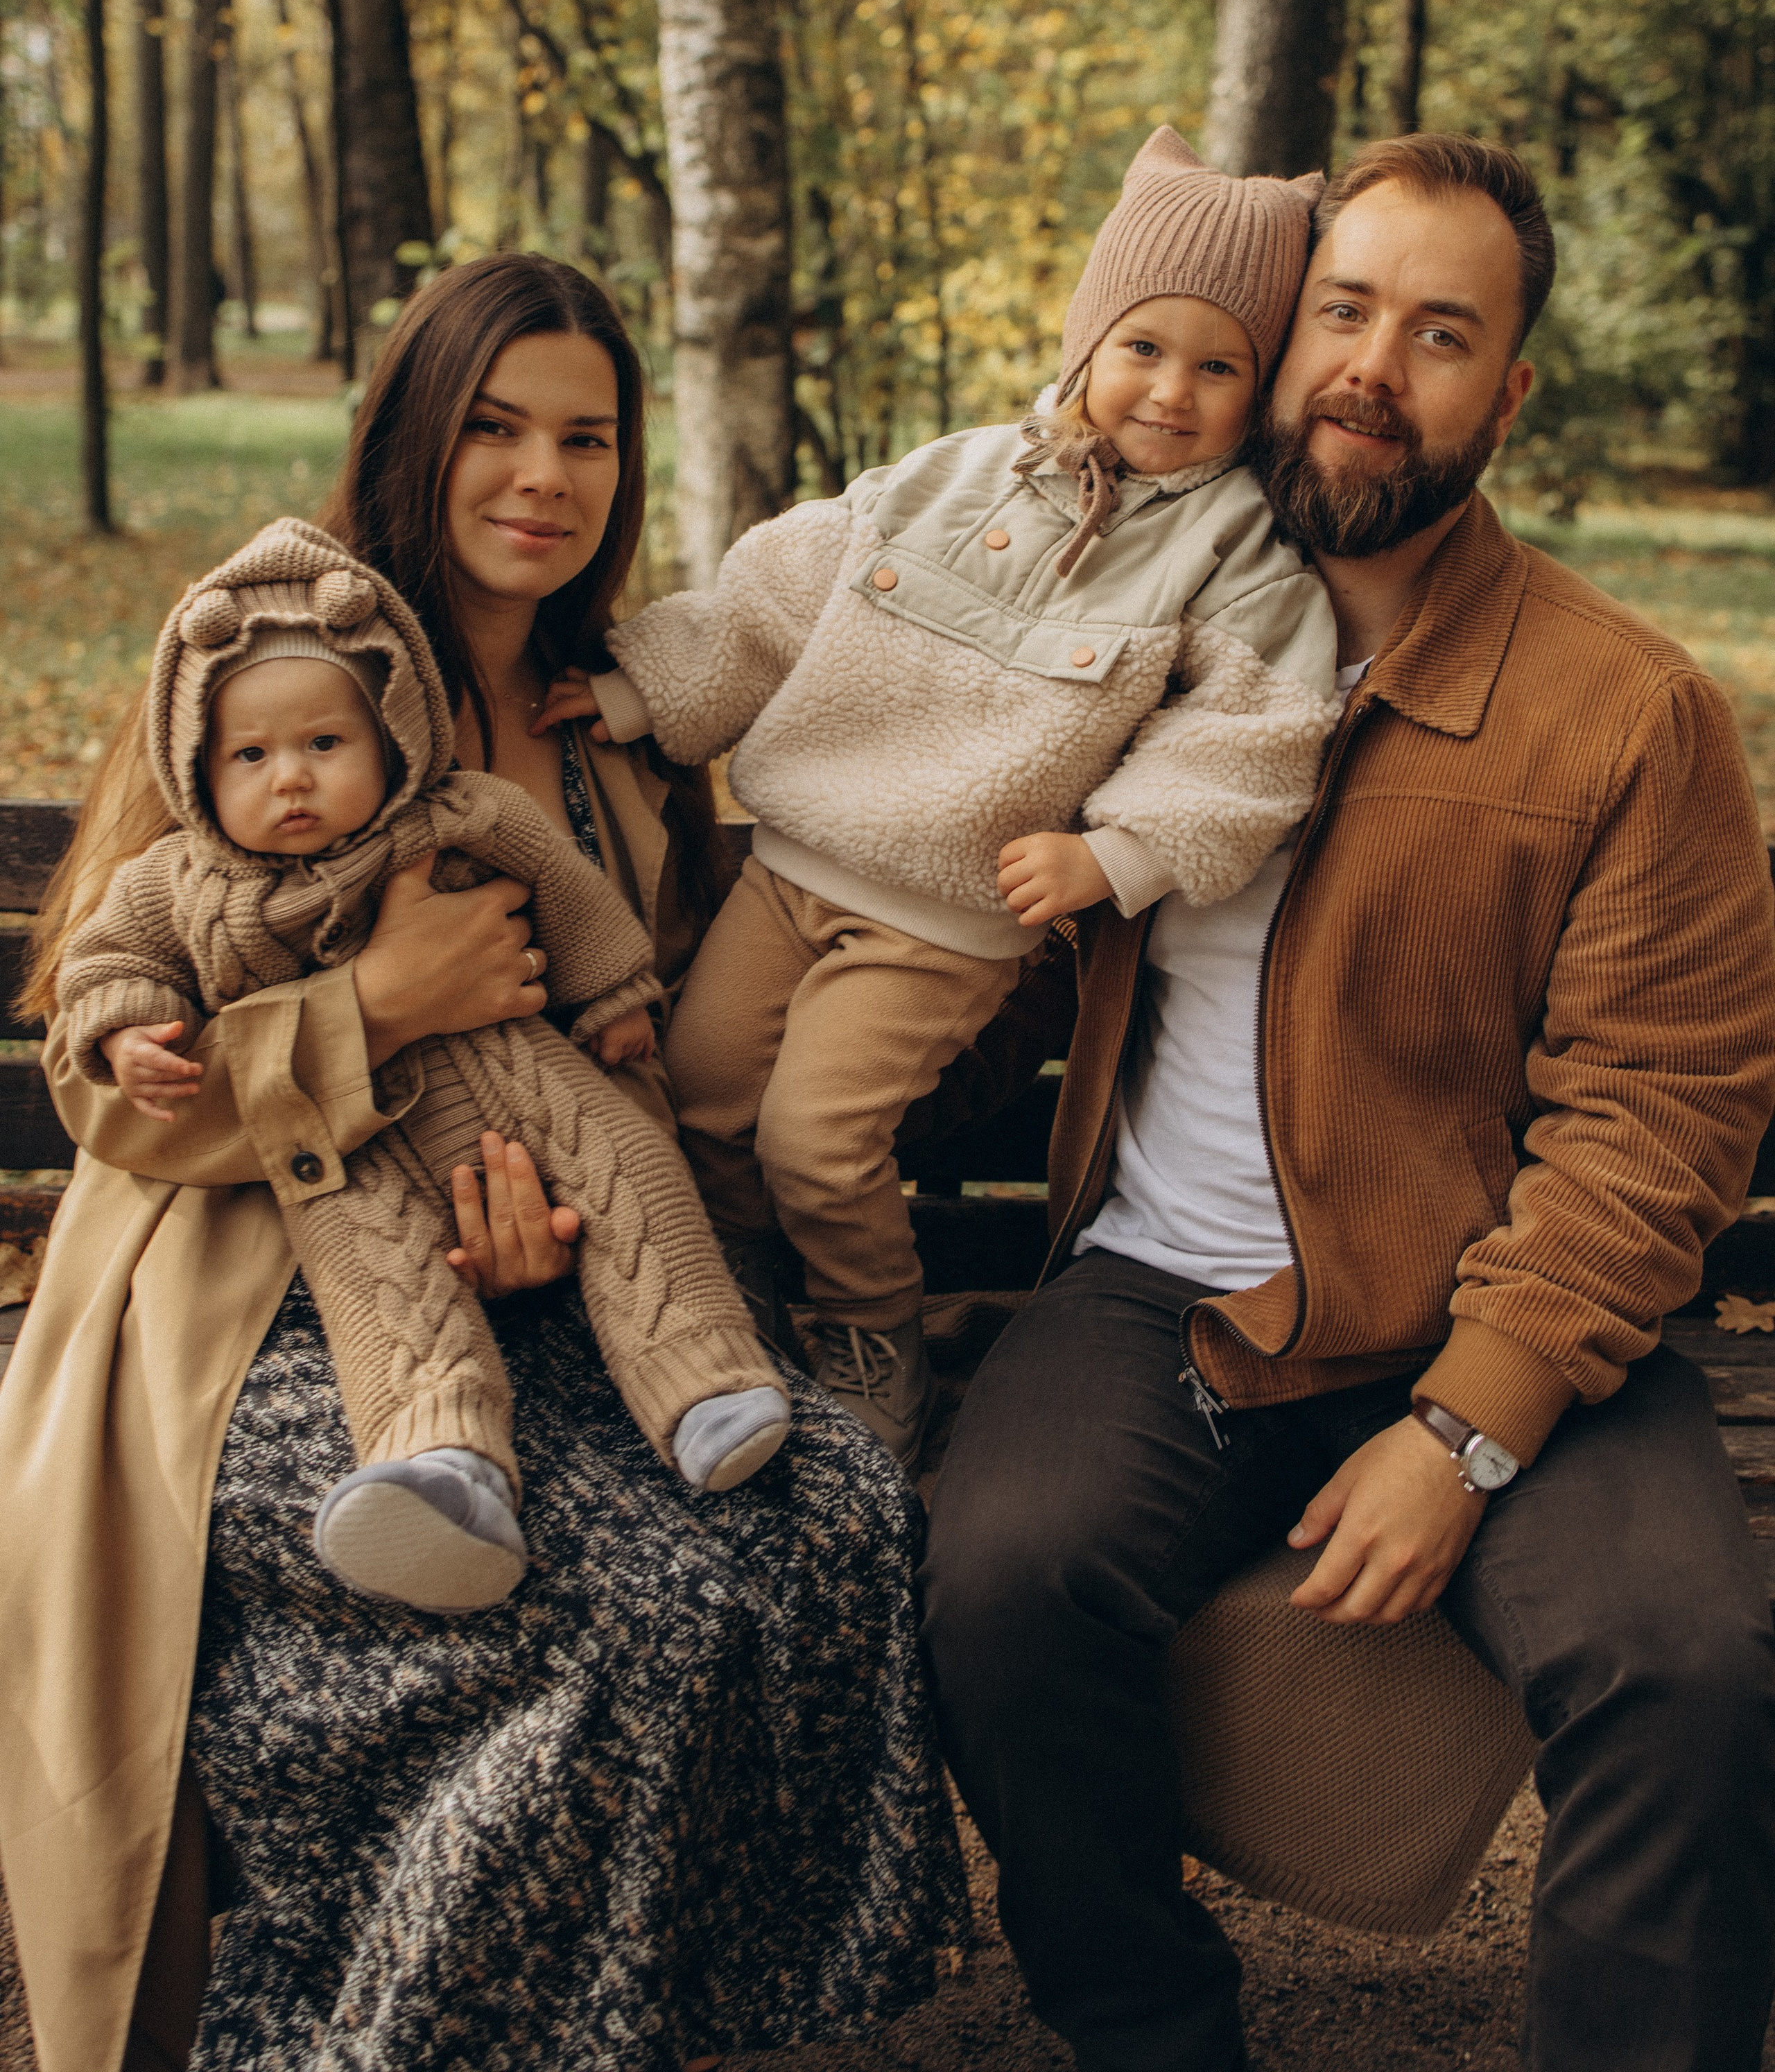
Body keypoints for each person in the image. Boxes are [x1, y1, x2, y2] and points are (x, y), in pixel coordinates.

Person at [0, 256, 967, 2072]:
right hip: (249, 1327)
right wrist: (372, 1003)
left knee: (826, 1515)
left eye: (586, 437)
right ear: (416, 440)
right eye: (496, 429)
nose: (543, 475)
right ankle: (355, 2026)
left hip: (551, 1310)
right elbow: (116, 1088)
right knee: (614, 1631)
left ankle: (620, 2014)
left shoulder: (626, 731)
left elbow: (630, 1050)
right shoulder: (276, 664)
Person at [921, 133, 1775, 2072]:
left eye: (1446, 334)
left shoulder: (1623, 709)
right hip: (1159, 1298)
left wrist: (1466, 1430)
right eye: (1347, 310)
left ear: (1510, 393)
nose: (1379, 367)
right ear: (1274, 331)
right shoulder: (1116, 639)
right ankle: (1154, 2036)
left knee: (1686, 1675)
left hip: (1502, 1310)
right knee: (999, 1579)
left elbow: (1662, 1109)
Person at [553, 130, 1342, 1465]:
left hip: (949, 918)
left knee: (815, 1138)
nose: (1171, 391)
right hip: (795, 868)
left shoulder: (1234, 550)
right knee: (696, 1095)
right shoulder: (955, 477)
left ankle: (874, 1335)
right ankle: (743, 1304)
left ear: (1259, 390)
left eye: (1221, 368)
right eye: (1145, 347)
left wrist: (1120, 856)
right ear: (1090, 338)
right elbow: (777, 599)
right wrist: (640, 697)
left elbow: (1255, 728)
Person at [60, 516, 790, 1615]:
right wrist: (128, 1032)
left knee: (627, 1170)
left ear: (395, 733)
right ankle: (443, 1463)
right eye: (250, 758)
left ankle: (704, 1376)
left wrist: (617, 998)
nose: (290, 780)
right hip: (326, 1162)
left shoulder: (484, 802)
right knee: (379, 1279)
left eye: (324, 747)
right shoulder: (182, 879)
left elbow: (569, 896)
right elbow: (109, 966)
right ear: (197, 764)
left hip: (517, 1091)